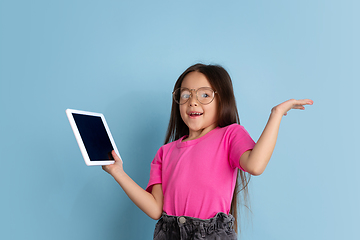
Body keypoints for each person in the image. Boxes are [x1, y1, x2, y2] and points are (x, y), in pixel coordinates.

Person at [103, 63, 313, 240]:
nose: (192, 101)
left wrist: (276, 114)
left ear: (222, 99)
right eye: (185, 95)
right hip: (169, 232)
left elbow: (255, 165)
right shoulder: (164, 152)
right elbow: (156, 209)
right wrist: (118, 173)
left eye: (204, 94)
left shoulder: (230, 135)